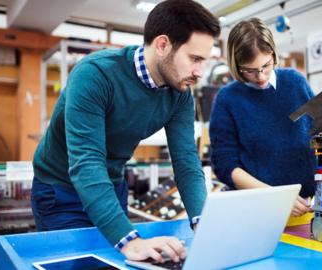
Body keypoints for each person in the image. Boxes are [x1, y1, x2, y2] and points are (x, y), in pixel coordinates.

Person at [31, 0, 220, 263]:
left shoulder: (179, 94)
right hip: (61, 190)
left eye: (204, 61)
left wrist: (202, 223)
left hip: (111, 187)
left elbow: (187, 161)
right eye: (195, 59)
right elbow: (87, 163)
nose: (200, 72)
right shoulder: (96, 75)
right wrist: (130, 242)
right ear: (163, 45)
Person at [209, 18, 316, 217]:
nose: (261, 77)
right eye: (249, 70)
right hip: (258, 211)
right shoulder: (228, 99)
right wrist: (276, 196)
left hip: (308, 207)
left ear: (274, 54)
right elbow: (225, 164)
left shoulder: (295, 82)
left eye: (266, 65)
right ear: (236, 65)